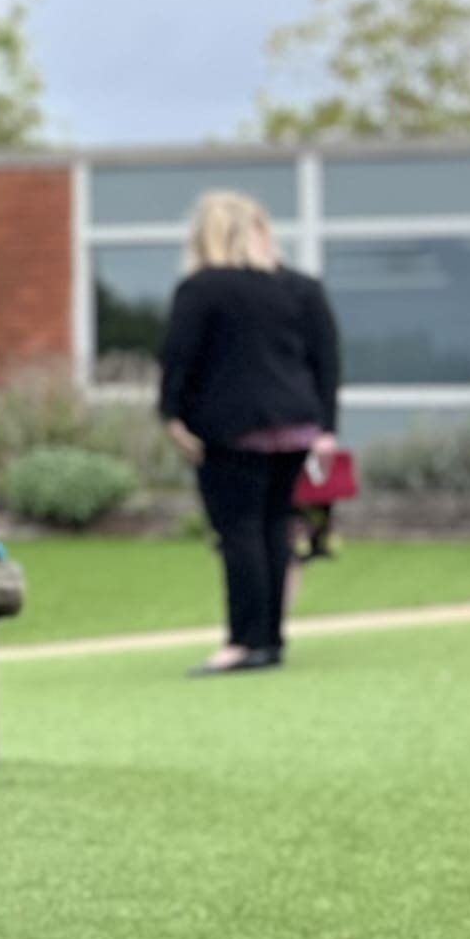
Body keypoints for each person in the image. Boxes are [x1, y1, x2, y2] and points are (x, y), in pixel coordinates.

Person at [154, 189, 344, 677]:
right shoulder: (302, 288)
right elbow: (326, 361)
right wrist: (325, 426)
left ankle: (243, 640)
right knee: (276, 528)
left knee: (238, 532)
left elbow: (180, 360)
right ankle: (271, 639)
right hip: (296, 427)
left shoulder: (202, 289)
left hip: (230, 428)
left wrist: (173, 417)